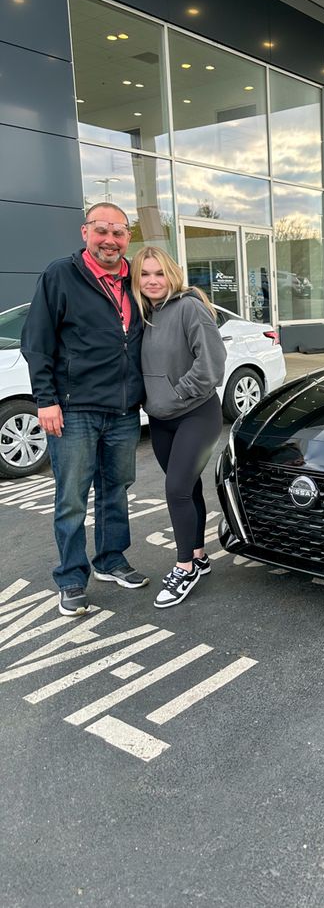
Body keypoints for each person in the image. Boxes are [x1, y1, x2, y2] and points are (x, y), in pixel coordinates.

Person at [21, 204, 150, 617]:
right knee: (72, 497)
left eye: (119, 232)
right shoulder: (61, 275)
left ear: (128, 237)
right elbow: (37, 342)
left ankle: (111, 560)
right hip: (74, 409)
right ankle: (72, 577)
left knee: (116, 490)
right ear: (85, 232)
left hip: (124, 409)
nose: (110, 239)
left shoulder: (137, 279)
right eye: (102, 230)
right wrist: (46, 399)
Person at [130, 246, 226, 609]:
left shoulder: (189, 307)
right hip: (161, 419)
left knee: (175, 490)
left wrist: (176, 396)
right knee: (188, 488)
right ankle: (199, 556)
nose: (152, 281)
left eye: (159, 273)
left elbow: (212, 364)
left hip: (197, 414)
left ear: (172, 274)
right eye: (144, 274)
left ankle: (184, 567)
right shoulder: (144, 314)